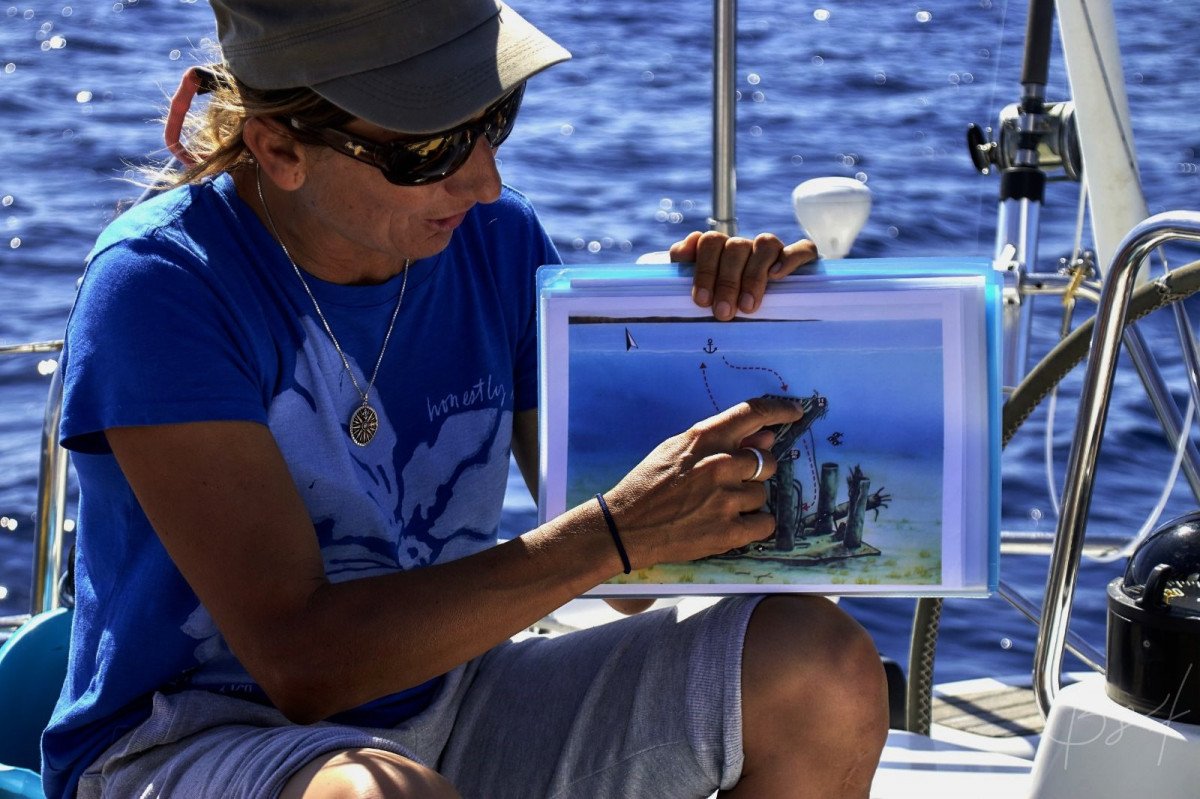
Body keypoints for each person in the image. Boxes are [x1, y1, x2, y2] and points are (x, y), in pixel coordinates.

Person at [42, 1, 889, 797]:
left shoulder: (498, 238)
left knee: (819, 669)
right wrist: (618, 530)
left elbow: (635, 581)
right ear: (279, 150)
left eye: (493, 121)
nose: (484, 181)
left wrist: (712, 333)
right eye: (430, 150)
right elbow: (303, 665)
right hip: (187, 736)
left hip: (450, 692)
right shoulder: (161, 286)